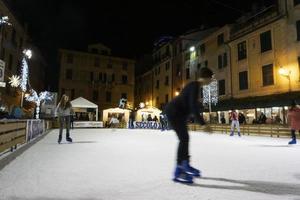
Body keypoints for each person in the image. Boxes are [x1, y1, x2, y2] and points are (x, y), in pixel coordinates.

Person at [164, 67, 213, 184]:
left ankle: (185, 164)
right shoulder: (194, 86)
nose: (211, 81)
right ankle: (179, 170)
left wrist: (199, 106)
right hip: (174, 112)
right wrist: (202, 124)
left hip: (178, 114)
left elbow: (190, 103)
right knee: (184, 138)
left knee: (185, 138)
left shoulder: (194, 86)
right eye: (210, 78)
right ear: (206, 78)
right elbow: (192, 105)